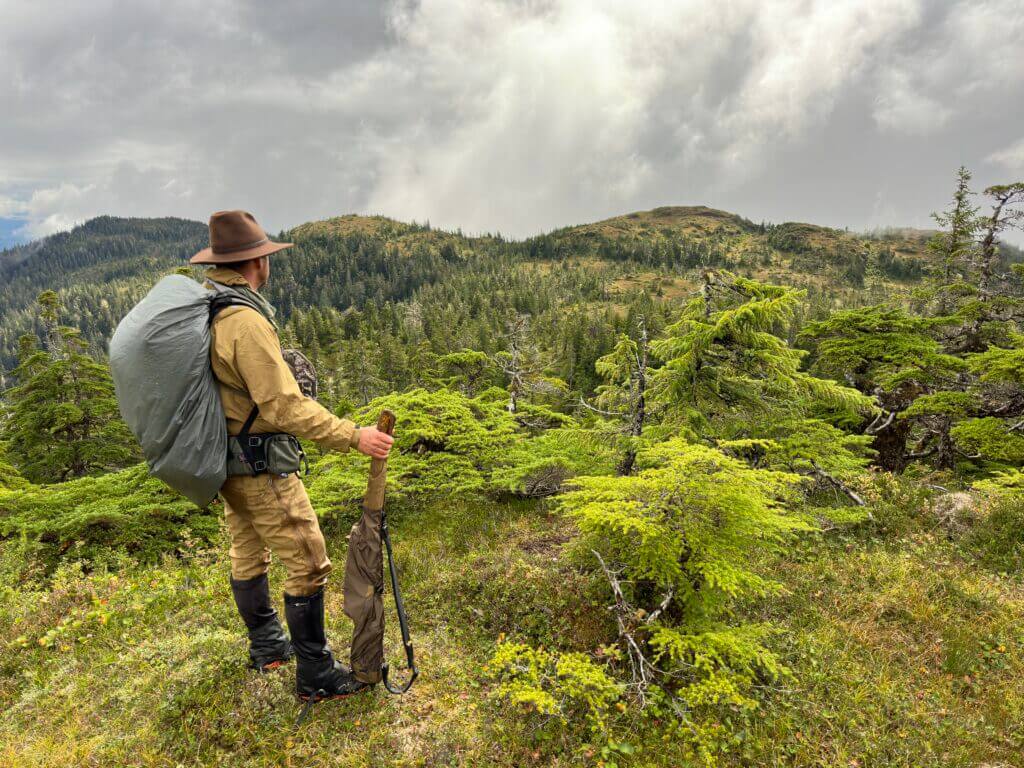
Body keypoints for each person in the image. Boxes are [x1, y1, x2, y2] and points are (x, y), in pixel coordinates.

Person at [190, 209, 394, 700]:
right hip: (260, 465)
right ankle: (315, 674)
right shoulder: (244, 321)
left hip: (225, 464)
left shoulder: (208, 308)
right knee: (307, 561)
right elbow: (282, 405)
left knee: (247, 549)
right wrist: (353, 435)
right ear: (257, 262)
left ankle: (267, 647)